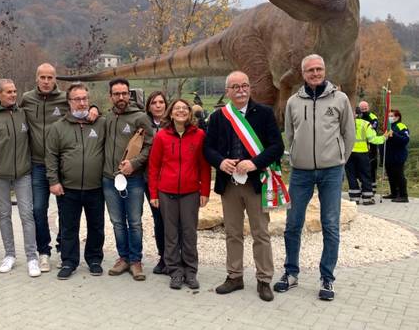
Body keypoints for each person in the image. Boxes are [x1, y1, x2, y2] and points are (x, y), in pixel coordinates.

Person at [275, 54, 355, 301]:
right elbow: (290, 133)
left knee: (330, 224)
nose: (315, 73)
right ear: (303, 73)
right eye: (310, 70)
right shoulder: (293, 102)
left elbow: (348, 133)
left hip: (332, 171)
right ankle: (291, 272)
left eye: (319, 69)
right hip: (301, 172)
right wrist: (299, 155)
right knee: (293, 224)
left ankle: (327, 277)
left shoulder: (340, 99)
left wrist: (340, 158)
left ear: (325, 70)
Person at [203, 71, 284, 302]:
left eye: (245, 85)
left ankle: (264, 279)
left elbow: (276, 146)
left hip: (255, 183)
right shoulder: (219, 117)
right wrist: (220, 161)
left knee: (261, 233)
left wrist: (254, 163)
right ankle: (235, 276)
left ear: (250, 88)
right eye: (235, 86)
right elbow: (208, 148)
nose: (241, 90)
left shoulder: (265, 113)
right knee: (233, 233)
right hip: (229, 184)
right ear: (227, 91)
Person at [19, 63, 98, 272]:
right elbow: (14, 114)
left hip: (62, 165)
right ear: (36, 78)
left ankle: (65, 248)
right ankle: (43, 251)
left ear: (56, 79)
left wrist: (94, 109)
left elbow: (82, 105)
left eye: (50, 77)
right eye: (42, 77)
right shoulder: (27, 98)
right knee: (38, 209)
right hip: (37, 164)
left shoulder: (65, 98)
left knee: (66, 211)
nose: (46, 81)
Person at [0, 79, 41, 277]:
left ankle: (32, 257)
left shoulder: (23, 113)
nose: (13, 95)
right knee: (4, 215)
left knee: (26, 214)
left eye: (15, 91)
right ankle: (10, 255)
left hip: (23, 173)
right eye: (8, 92)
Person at [45, 83, 106, 280]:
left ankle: (94, 259)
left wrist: (97, 108)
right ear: (69, 102)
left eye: (85, 99)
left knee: (96, 225)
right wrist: (53, 181)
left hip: (95, 187)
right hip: (68, 188)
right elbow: (51, 156)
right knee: (69, 227)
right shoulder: (58, 127)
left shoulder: (100, 123)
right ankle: (69, 261)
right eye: (77, 99)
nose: (82, 103)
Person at [149, 98, 210, 290]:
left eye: (185, 108)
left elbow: (204, 166)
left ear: (190, 113)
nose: (181, 111)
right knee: (171, 234)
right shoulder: (162, 136)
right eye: (177, 108)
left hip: (191, 192)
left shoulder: (199, 135)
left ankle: (190, 271)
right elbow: (154, 166)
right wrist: (154, 194)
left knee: (189, 233)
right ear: (171, 112)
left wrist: (205, 190)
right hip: (166, 192)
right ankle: (174, 270)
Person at [103, 78, 153, 281]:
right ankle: (123, 258)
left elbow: (150, 145)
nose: (121, 97)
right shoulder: (106, 118)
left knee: (134, 221)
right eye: (117, 94)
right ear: (111, 96)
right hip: (109, 178)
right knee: (116, 222)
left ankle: (136, 261)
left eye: (124, 93)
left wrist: (135, 163)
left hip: (133, 179)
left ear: (129, 95)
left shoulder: (140, 117)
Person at [144, 91, 168, 274]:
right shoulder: (143, 125)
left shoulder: (174, 124)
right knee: (158, 219)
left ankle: (178, 256)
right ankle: (163, 256)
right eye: (154, 102)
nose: (158, 105)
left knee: (173, 220)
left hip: (170, 179)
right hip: (150, 179)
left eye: (161, 102)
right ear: (149, 106)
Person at [345, 107, 385, 205]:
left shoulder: (346, 124)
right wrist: (384, 137)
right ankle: (367, 198)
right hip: (362, 154)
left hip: (349, 154)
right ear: (361, 114)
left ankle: (354, 198)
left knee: (351, 176)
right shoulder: (365, 124)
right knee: (365, 175)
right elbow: (372, 139)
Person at [383, 109, 409, 203]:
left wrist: (394, 135)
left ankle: (403, 195)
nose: (390, 118)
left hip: (398, 155)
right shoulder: (389, 127)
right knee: (391, 175)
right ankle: (394, 193)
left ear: (397, 117)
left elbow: (405, 140)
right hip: (389, 156)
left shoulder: (401, 126)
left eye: (391, 116)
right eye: (389, 116)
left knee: (399, 175)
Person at [358, 101, 380, 187]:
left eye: (365, 109)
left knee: (372, 165)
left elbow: (373, 127)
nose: (364, 110)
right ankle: (364, 185)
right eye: (362, 109)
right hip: (361, 145)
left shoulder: (372, 117)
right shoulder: (358, 117)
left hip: (371, 144)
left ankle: (373, 186)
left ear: (368, 108)